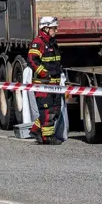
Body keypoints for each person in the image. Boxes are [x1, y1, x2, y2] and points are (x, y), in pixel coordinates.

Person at [29, 16, 65, 146]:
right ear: (45, 28)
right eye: (53, 28)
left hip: (54, 84)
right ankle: (47, 138)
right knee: (47, 111)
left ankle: (35, 130)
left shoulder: (52, 42)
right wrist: (45, 74)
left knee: (55, 110)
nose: (55, 31)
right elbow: (32, 60)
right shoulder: (38, 43)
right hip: (43, 85)